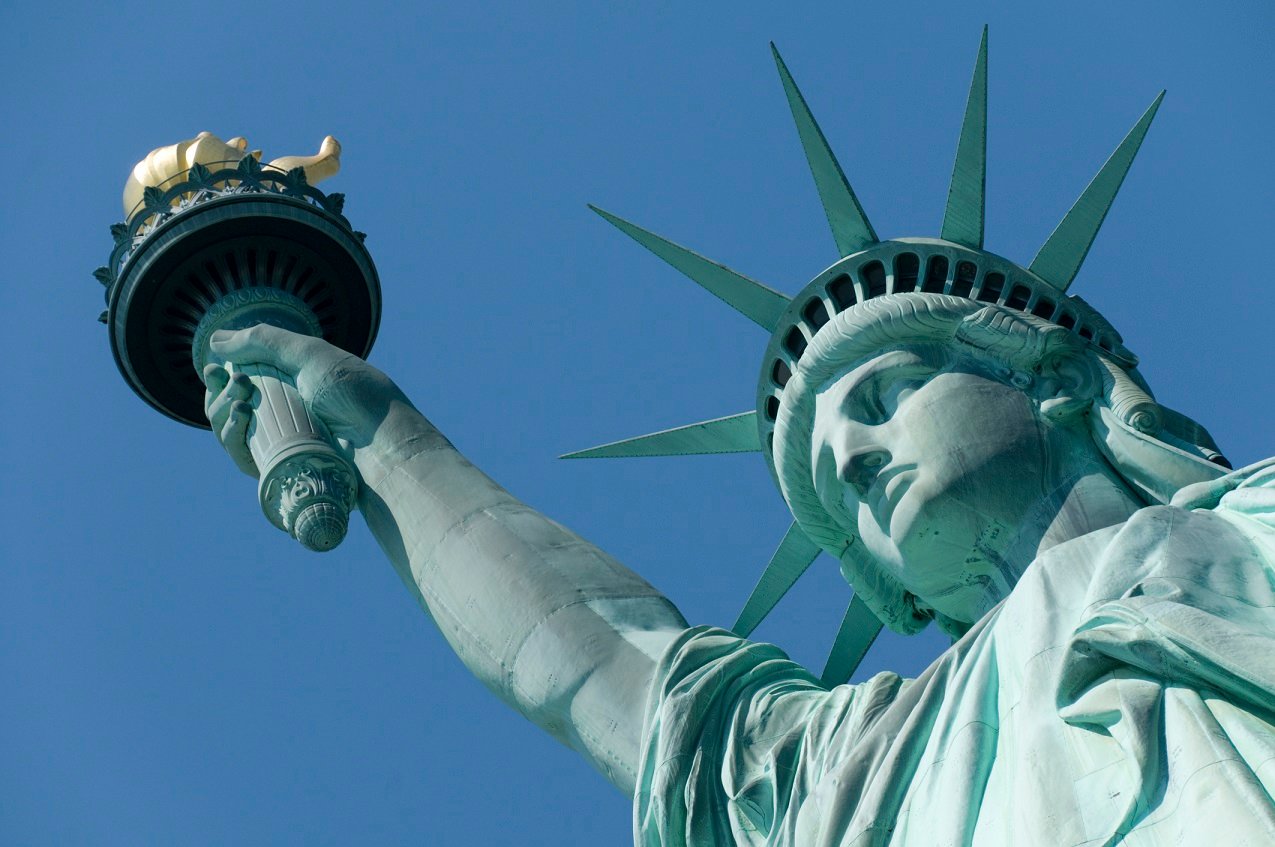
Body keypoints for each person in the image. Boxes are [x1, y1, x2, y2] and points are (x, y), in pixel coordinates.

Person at [202, 286, 1275, 845]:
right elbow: (605, 671)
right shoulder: (863, 771)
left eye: (884, 394)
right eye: (827, 466)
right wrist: (389, 442)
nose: (853, 454)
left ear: (1056, 384)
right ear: (888, 590)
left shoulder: (1258, 518)